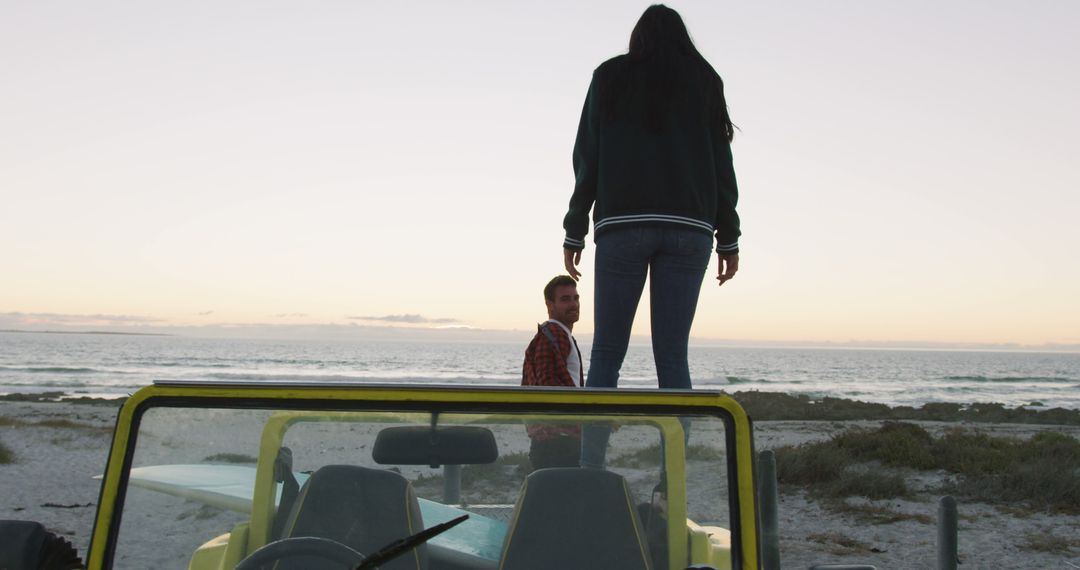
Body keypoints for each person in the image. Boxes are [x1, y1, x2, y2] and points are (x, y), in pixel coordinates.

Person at [562, 4, 741, 391]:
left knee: (607, 353)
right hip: (690, 229)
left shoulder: (609, 76)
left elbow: (587, 156)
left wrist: (574, 230)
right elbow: (721, 165)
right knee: (674, 355)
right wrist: (729, 238)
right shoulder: (706, 80)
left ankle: (591, 456)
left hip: (623, 225)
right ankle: (678, 453)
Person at [521, 275, 583, 470]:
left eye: (576, 298)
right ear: (550, 305)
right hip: (557, 442)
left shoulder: (559, 335)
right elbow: (548, 389)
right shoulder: (553, 335)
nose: (573, 304)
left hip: (556, 440)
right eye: (565, 299)